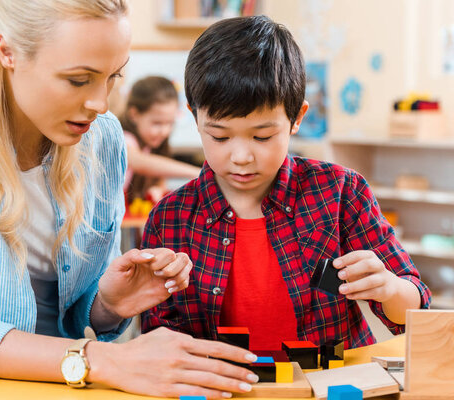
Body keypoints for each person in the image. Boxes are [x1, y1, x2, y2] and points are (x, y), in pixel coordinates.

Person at [0, 1, 261, 398]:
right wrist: (101, 360)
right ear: (8, 52)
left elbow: (75, 310)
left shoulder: (102, 138)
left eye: (112, 77)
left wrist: (107, 301)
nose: (101, 103)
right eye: (78, 79)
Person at [141, 16, 431, 351]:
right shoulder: (170, 218)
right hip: (222, 387)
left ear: (297, 119)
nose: (241, 156)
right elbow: (157, 334)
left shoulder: (340, 192)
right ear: (194, 118)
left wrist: (390, 288)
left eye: (262, 136)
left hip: (327, 382)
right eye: (219, 136)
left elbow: (415, 308)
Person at [119, 76, 200, 204]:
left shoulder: (150, 146)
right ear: (134, 114)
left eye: (170, 123)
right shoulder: (123, 138)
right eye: (157, 123)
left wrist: (156, 189)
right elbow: (139, 162)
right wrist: (197, 172)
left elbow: (159, 182)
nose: (165, 131)